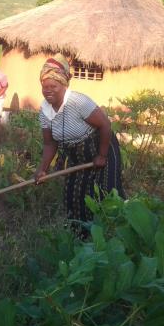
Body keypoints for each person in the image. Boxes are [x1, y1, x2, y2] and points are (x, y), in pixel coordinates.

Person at [33, 54, 125, 233]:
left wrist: (102, 155)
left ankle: (114, 234)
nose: (48, 90)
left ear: (64, 85)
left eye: (53, 86)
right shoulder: (44, 111)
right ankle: (81, 237)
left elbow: (105, 125)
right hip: (76, 155)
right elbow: (50, 144)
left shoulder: (78, 102)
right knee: (74, 195)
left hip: (101, 147)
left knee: (107, 193)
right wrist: (42, 169)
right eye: (45, 87)